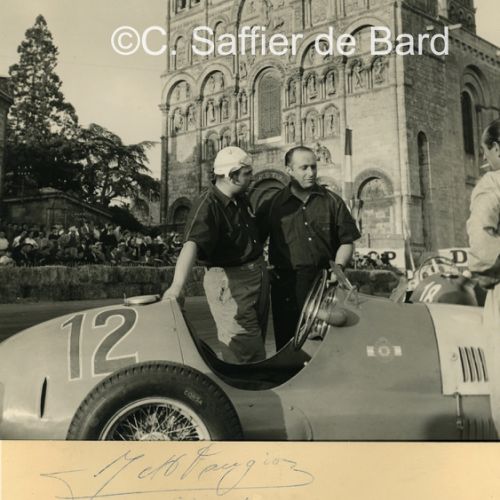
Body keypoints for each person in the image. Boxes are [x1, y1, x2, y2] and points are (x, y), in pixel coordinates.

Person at [163, 146, 268, 364]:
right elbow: (192, 243)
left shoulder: (240, 198)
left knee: (254, 342)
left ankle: (254, 380)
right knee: (244, 349)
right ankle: (246, 384)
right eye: (247, 173)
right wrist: (177, 286)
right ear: (232, 176)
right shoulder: (207, 204)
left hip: (256, 276)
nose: (252, 177)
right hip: (230, 281)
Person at [257, 145, 361, 350]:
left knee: (326, 345)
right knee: (289, 345)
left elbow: (347, 241)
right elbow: (255, 243)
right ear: (289, 170)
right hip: (286, 287)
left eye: (313, 167)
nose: (311, 173)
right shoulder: (272, 204)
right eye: (304, 168)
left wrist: (338, 268)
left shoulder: (332, 201)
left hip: (325, 285)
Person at [466, 118, 500, 433]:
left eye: (484, 150)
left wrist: (486, 280)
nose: (483, 158)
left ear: (497, 149)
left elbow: (484, 254)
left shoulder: (492, 184)